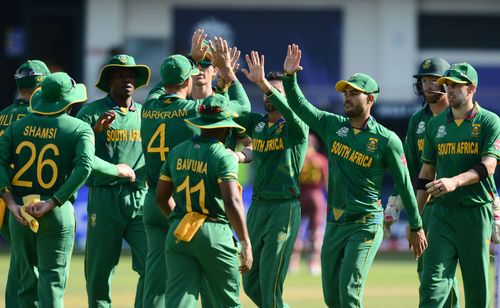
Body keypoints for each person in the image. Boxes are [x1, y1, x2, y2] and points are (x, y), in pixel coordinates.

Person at [281, 44, 427, 307]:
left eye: (354, 93)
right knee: (333, 298)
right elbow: (300, 106)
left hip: (366, 224)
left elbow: (405, 183)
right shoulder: (332, 126)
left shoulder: (387, 140)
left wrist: (416, 224)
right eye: (345, 93)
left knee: (349, 294)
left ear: (370, 99)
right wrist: (290, 78)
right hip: (336, 223)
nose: (347, 97)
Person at [140, 30, 251, 307]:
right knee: (204, 288)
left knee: (158, 281)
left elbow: (164, 83)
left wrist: (190, 59)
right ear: (188, 80)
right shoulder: (194, 110)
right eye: (195, 69)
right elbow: (242, 107)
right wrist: (229, 74)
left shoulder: (149, 105)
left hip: (155, 198)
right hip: (186, 205)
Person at [0, 72, 94, 307]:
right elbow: (85, 167)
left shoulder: (18, 126)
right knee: (51, 284)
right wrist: (54, 201)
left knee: (24, 284)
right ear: (68, 102)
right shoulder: (79, 128)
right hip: (55, 212)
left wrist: (10, 202)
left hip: (20, 211)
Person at [156, 94, 252, 308]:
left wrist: (176, 220)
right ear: (226, 127)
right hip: (214, 232)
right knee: (225, 303)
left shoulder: (177, 151)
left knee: (178, 302)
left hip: (180, 232)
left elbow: (161, 198)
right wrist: (245, 242)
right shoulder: (223, 155)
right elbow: (232, 202)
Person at [417, 63, 499, 308]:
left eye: (455, 86)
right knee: (432, 288)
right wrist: (416, 219)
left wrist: (455, 181)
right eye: (447, 86)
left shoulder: (489, 122)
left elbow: (489, 166)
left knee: (476, 291)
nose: (449, 90)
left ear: (471, 88)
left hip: (476, 212)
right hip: (441, 214)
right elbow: (426, 173)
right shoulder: (435, 125)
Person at [383, 57, 460, 306]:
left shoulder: (459, 113)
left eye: (433, 80)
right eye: (423, 80)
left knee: (439, 276)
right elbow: (409, 168)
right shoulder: (418, 120)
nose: (427, 86)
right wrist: (395, 205)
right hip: (426, 206)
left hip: (459, 206)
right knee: (430, 272)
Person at [76, 54, 150, 308]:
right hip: (104, 197)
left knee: (153, 263)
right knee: (99, 271)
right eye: (119, 75)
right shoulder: (90, 112)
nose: (127, 79)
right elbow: (77, 154)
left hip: (139, 197)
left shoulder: (146, 113)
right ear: (109, 81)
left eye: (131, 75)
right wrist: (95, 132)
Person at [239, 51, 309, 308]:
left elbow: (290, 111)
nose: (270, 96)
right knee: (249, 282)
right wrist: (225, 74)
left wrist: (264, 84)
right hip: (257, 208)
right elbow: (230, 109)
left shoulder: (297, 126)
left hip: (283, 209)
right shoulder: (257, 125)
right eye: (267, 92)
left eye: (277, 91)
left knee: (270, 286)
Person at [0, 59, 50, 307]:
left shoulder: (2, 116)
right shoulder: (39, 116)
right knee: (33, 266)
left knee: (20, 260)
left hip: (4, 197)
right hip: (29, 198)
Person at [290, 132, 328, 276]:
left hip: (299, 196)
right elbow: (326, 183)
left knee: (295, 231)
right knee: (315, 232)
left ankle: (293, 263)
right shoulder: (321, 160)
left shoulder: (298, 159)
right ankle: (313, 264)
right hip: (316, 197)